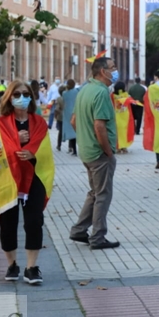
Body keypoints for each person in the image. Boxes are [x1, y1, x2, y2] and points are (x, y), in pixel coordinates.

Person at [0, 80, 55, 285]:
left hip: (35, 178)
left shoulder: (39, 123)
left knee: (34, 222)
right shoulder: (2, 124)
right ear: (9, 98)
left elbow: (45, 152)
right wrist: (17, 140)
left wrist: (31, 151)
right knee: (8, 224)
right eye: (16, 94)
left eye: (25, 94)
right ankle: (12, 264)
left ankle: (32, 268)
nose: (21, 98)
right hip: (7, 178)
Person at [69, 58, 120, 250]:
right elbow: (100, 126)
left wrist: (84, 139)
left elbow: (74, 120)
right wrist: (108, 151)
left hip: (87, 151)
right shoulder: (100, 92)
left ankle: (79, 230)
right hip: (99, 154)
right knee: (102, 195)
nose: (115, 71)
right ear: (102, 71)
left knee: (95, 192)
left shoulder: (85, 90)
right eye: (112, 68)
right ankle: (98, 237)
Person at [112, 81, 136, 154]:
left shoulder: (112, 96)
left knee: (117, 133)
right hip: (126, 116)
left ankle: (118, 147)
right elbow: (132, 103)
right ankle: (124, 147)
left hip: (116, 117)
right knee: (125, 132)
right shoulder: (126, 95)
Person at [62, 80, 78, 155]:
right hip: (76, 112)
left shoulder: (64, 93)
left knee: (71, 132)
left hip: (68, 114)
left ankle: (73, 149)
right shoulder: (76, 91)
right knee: (77, 131)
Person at [54, 85, 67, 151]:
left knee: (60, 132)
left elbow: (57, 109)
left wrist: (55, 115)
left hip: (60, 117)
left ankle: (59, 145)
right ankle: (71, 147)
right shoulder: (68, 98)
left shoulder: (59, 99)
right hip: (67, 116)